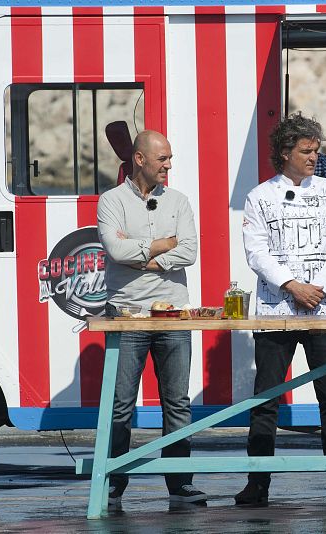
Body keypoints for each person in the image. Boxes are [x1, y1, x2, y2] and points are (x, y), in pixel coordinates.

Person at [237, 112, 326, 506]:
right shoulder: (259, 196)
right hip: (276, 311)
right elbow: (256, 251)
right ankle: (257, 482)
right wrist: (291, 285)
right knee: (266, 399)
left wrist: (317, 288)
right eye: (306, 151)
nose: (313, 157)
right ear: (284, 153)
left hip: (323, 309)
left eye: (316, 150)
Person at [97, 130, 206, 507]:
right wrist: (162, 244)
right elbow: (114, 248)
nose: (169, 166)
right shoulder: (110, 200)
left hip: (173, 314)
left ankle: (180, 483)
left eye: (170, 158)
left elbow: (189, 250)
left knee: (177, 402)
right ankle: (113, 481)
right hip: (126, 314)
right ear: (140, 159)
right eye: (163, 159)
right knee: (121, 405)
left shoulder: (178, 201)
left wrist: (140, 255)